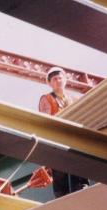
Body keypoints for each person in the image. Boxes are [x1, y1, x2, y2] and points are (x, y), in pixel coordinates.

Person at [38, 67, 89, 198]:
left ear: (65, 80)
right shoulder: (47, 99)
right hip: (57, 140)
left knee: (78, 166)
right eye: (54, 79)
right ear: (49, 83)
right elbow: (46, 124)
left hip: (74, 138)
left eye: (60, 78)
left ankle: (82, 189)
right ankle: (62, 198)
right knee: (60, 174)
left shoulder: (75, 100)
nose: (58, 80)